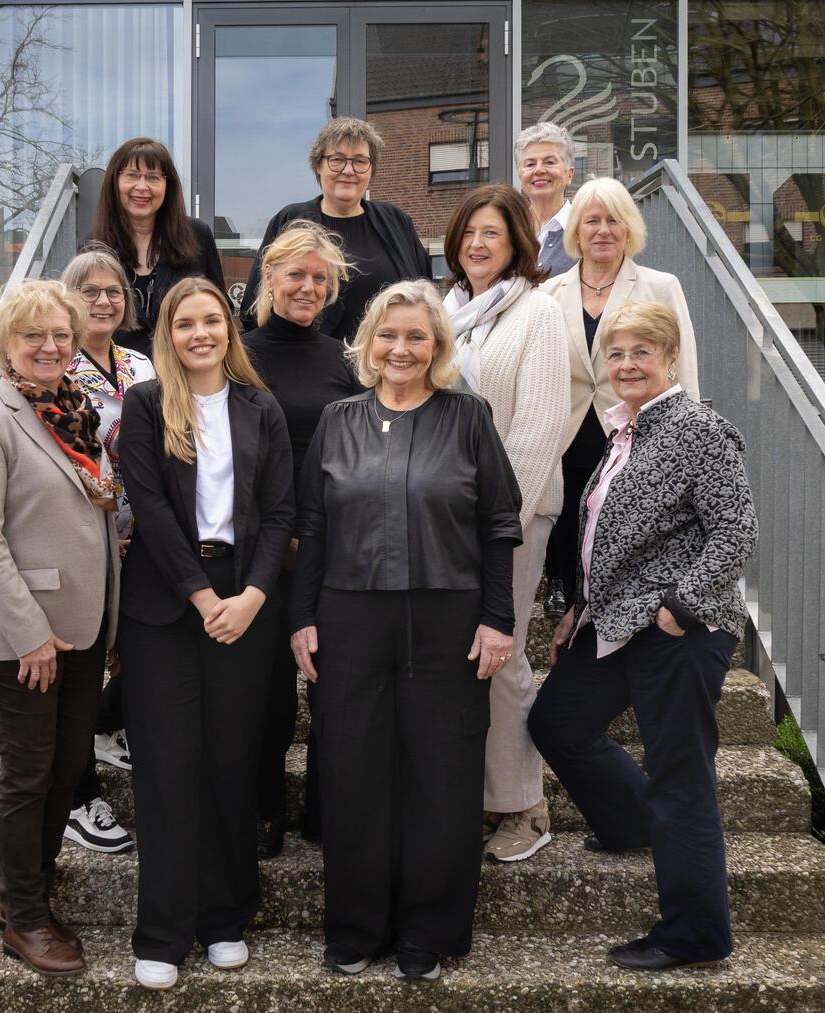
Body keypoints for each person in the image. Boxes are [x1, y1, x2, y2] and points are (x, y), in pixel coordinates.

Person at [289, 279, 522, 982]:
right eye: (389, 335)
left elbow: (499, 523)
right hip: (349, 615)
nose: (402, 348)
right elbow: (311, 525)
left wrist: (499, 618)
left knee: (442, 775)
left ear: (438, 346)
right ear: (368, 344)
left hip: (447, 617)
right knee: (354, 772)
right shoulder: (338, 419)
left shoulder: (469, 417)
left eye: (417, 336)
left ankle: (429, 929)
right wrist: (300, 616)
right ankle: (358, 928)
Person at [527, 299, 756, 972]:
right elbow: (602, 534)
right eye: (617, 353)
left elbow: (735, 530)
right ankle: (630, 822)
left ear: (670, 357)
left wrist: (680, 607)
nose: (627, 363)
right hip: (614, 620)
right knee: (557, 723)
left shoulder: (697, 428)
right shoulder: (625, 431)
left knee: (682, 778)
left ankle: (695, 934)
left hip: (676, 630)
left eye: (641, 352)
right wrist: (577, 607)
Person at [116, 277, 294, 991]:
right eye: (185, 322)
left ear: (230, 327)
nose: (200, 333)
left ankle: (224, 916)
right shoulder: (145, 403)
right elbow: (151, 509)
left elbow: (282, 511)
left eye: (212, 320)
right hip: (165, 605)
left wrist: (251, 594)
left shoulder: (263, 407)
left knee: (229, 761)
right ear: (169, 333)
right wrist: (199, 594)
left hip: (245, 603)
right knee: (166, 767)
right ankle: (162, 930)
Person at [0, 279, 121, 977]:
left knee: (67, 768)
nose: (49, 346)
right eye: (33, 336)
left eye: (60, 334)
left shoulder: (75, 413)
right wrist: (28, 633)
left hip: (82, 628)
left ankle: (36, 896)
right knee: (26, 776)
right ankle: (22, 919)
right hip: (26, 637)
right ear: (7, 347)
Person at [441, 184, 569, 863]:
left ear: (519, 240)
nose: (478, 244)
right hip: (445, 518)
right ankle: (486, 792)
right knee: (467, 657)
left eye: (492, 233)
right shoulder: (445, 309)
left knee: (506, 649)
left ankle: (527, 804)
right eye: (468, 233)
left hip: (514, 512)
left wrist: (497, 522)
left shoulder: (539, 312)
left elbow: (540, 426)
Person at [241, 220, 359, 858]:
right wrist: (277, 538)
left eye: (320, 278)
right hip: (262, 547)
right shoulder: (238, 354)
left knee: (335, 686)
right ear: (269, 279)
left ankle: (326, 810)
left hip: (335, 547)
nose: (308, 287)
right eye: (296, 275)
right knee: (266, 693)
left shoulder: (347, 360)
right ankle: (263, 807)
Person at [539, 176, 700, 620]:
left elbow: (681, 362)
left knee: (623, 509)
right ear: (576, 232)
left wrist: (686, 427)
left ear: (629, 228)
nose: (602, 230)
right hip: (568, 421)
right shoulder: (550, 291)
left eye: (613, 220)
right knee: (567, 503)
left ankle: (617, 591)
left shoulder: (660, 285)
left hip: (633, 420)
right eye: (591, 220)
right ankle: (564, 585)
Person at [58, 243, 156, 855]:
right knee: (82, 665)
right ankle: (76, 797)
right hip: (83, 536)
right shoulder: (55, 366)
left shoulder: (142, 364)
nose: (102, 300)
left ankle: (104, 727)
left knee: (135, 648)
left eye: (112, 290)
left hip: (141, 533)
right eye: (89, 291)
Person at [239, 117, 431, 340]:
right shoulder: (291, 220)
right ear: (319, 166)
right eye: (337, 159)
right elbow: (256, 305)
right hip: (311, 368)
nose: (348, 170)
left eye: (360, 161)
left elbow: (424, 296)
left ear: (371, 170)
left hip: (388, 365)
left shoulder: (397, 222)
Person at [90, 137, 225, 354]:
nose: (142, 187)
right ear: (115, 182)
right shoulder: (95, 248)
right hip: (121, 374)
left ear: (167, 185)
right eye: (132, 175)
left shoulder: (197, 235)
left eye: (153, 177)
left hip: (185, 367)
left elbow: (219, 307)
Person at [515, 122, 577, 278]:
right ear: (520, 175)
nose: (539, 170)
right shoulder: (509, 230)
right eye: (530, 164)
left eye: (549, 162)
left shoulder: (583, 231)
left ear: (569, 174)